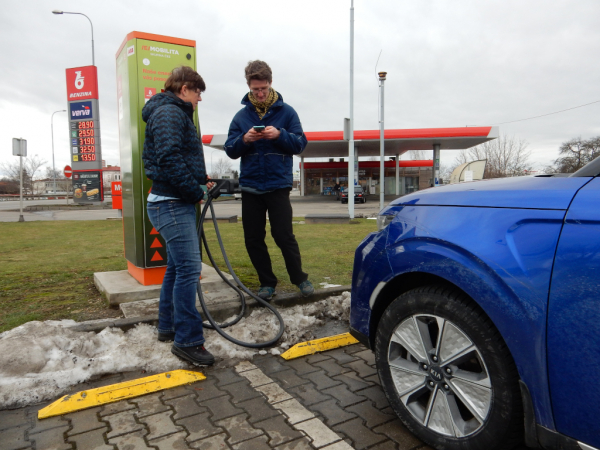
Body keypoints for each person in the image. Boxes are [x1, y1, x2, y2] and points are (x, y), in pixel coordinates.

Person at [142, 66, 214, 366]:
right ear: (184, 88)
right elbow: (169, 157)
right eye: (198, 92)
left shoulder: (172, 112)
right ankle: (188, 341)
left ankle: (169, 326)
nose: (199, 98)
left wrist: (201, 180)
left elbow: (179, 156)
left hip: (172, 201)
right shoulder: (170, 112)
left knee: (175, 268)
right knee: (188, 269)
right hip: (171, 203)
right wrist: (193, 191)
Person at [224, 60, 314, 301]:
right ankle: (267, 282)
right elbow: (230, 150)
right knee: (253, 238)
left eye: (263, 88)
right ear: (248, 86)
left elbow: (300, 144)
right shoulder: (241, 117)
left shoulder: (287, 112)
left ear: (270, 83)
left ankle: (300, 278)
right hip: (251, 187)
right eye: (255, 90)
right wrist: (245, 139)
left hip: (278, 186)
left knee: (284, 235)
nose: (260, 94)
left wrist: (279, 134)